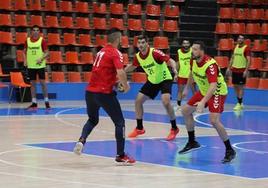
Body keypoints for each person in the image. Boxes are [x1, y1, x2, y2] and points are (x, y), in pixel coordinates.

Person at [73, 28, 135, 165]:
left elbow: (103, 73)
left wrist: (115, 83)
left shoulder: (101, 52)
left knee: (92, 120)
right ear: (118, 39)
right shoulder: (115, 53)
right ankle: (120, 155)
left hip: (90, 92)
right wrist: (126, 86)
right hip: (103, 93)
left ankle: (81, 140)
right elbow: (121, 72)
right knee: (120, 123)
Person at [179, 41, 236, 163]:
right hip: (205, 90)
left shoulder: (210, 65)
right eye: (192, 49)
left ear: (201, 51)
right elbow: (191, 73)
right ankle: (192, 141)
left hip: (217, 92)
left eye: (194, 49)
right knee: (185, 111)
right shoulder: (193, 60)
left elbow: (214, 85)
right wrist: (186, 88)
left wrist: (202, 101)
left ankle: (229, 150)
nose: (192, 51)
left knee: (214, 120)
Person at [125, 34, 179, 141]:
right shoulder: (138, 57)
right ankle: (139, 128)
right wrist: (121, 72)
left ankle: (174, 128)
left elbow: (170, 61)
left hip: (164, 78)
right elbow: (132, 66)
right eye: (139, 43)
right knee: (138, 101)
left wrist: (175, 71)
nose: (140, 45)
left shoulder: (154, 53)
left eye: (143, 42)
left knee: (166, 101)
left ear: (147, 44)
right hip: (153, 80)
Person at [24, 25, 50, 110]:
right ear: (31, 32)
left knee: (43, 83)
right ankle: (34, 103)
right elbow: (24, 52)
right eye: (34, 30)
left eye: (37, 30)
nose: (35, 31)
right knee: (32, 84)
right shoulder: (27, 41)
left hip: (40, 66)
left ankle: (46, 102)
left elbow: (47, 53)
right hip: (31, 66)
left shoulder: (42, 41)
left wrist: (41, 58)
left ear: (39, 32)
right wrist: (25, 60)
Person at [226, 35, 251, 111]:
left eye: (242, 38)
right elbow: (232, 58)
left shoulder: (246, 48)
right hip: (234, 70)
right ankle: (240, 102)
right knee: (235, 86)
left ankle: (239, 104)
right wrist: (228, 68)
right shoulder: (235, 47)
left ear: (244, 40)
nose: (240, 39)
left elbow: (248, 60)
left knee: (241, 87)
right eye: (239, 38)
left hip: (242, 70)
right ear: (237, 40)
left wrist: (246, 70)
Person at [175, 40, 196, 115]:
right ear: (182, 44)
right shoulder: (179, 52)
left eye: (187, 43)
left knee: (194, 91)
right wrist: (176, 73)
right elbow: (177, 63)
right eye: (184, 43)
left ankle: (196, 106)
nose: (186, 45)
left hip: (191, 75)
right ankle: (178, 105)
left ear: (189, 44)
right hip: (182, 74)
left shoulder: (192, 51)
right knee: (180, 91)